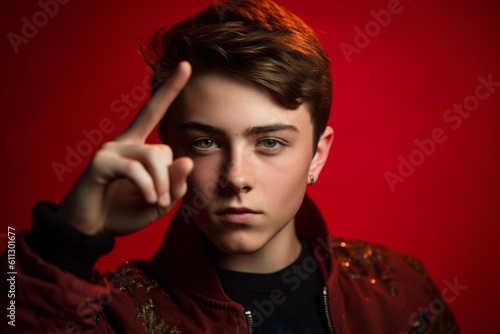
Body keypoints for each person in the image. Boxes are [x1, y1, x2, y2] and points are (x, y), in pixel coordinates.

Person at [2, 0, 459, 333]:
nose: (236, 178)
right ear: (169, 149)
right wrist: (64, 242)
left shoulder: (399, 288)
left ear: (317, 154)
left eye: (270, 143)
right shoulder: (112, 313)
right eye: (206, 142)